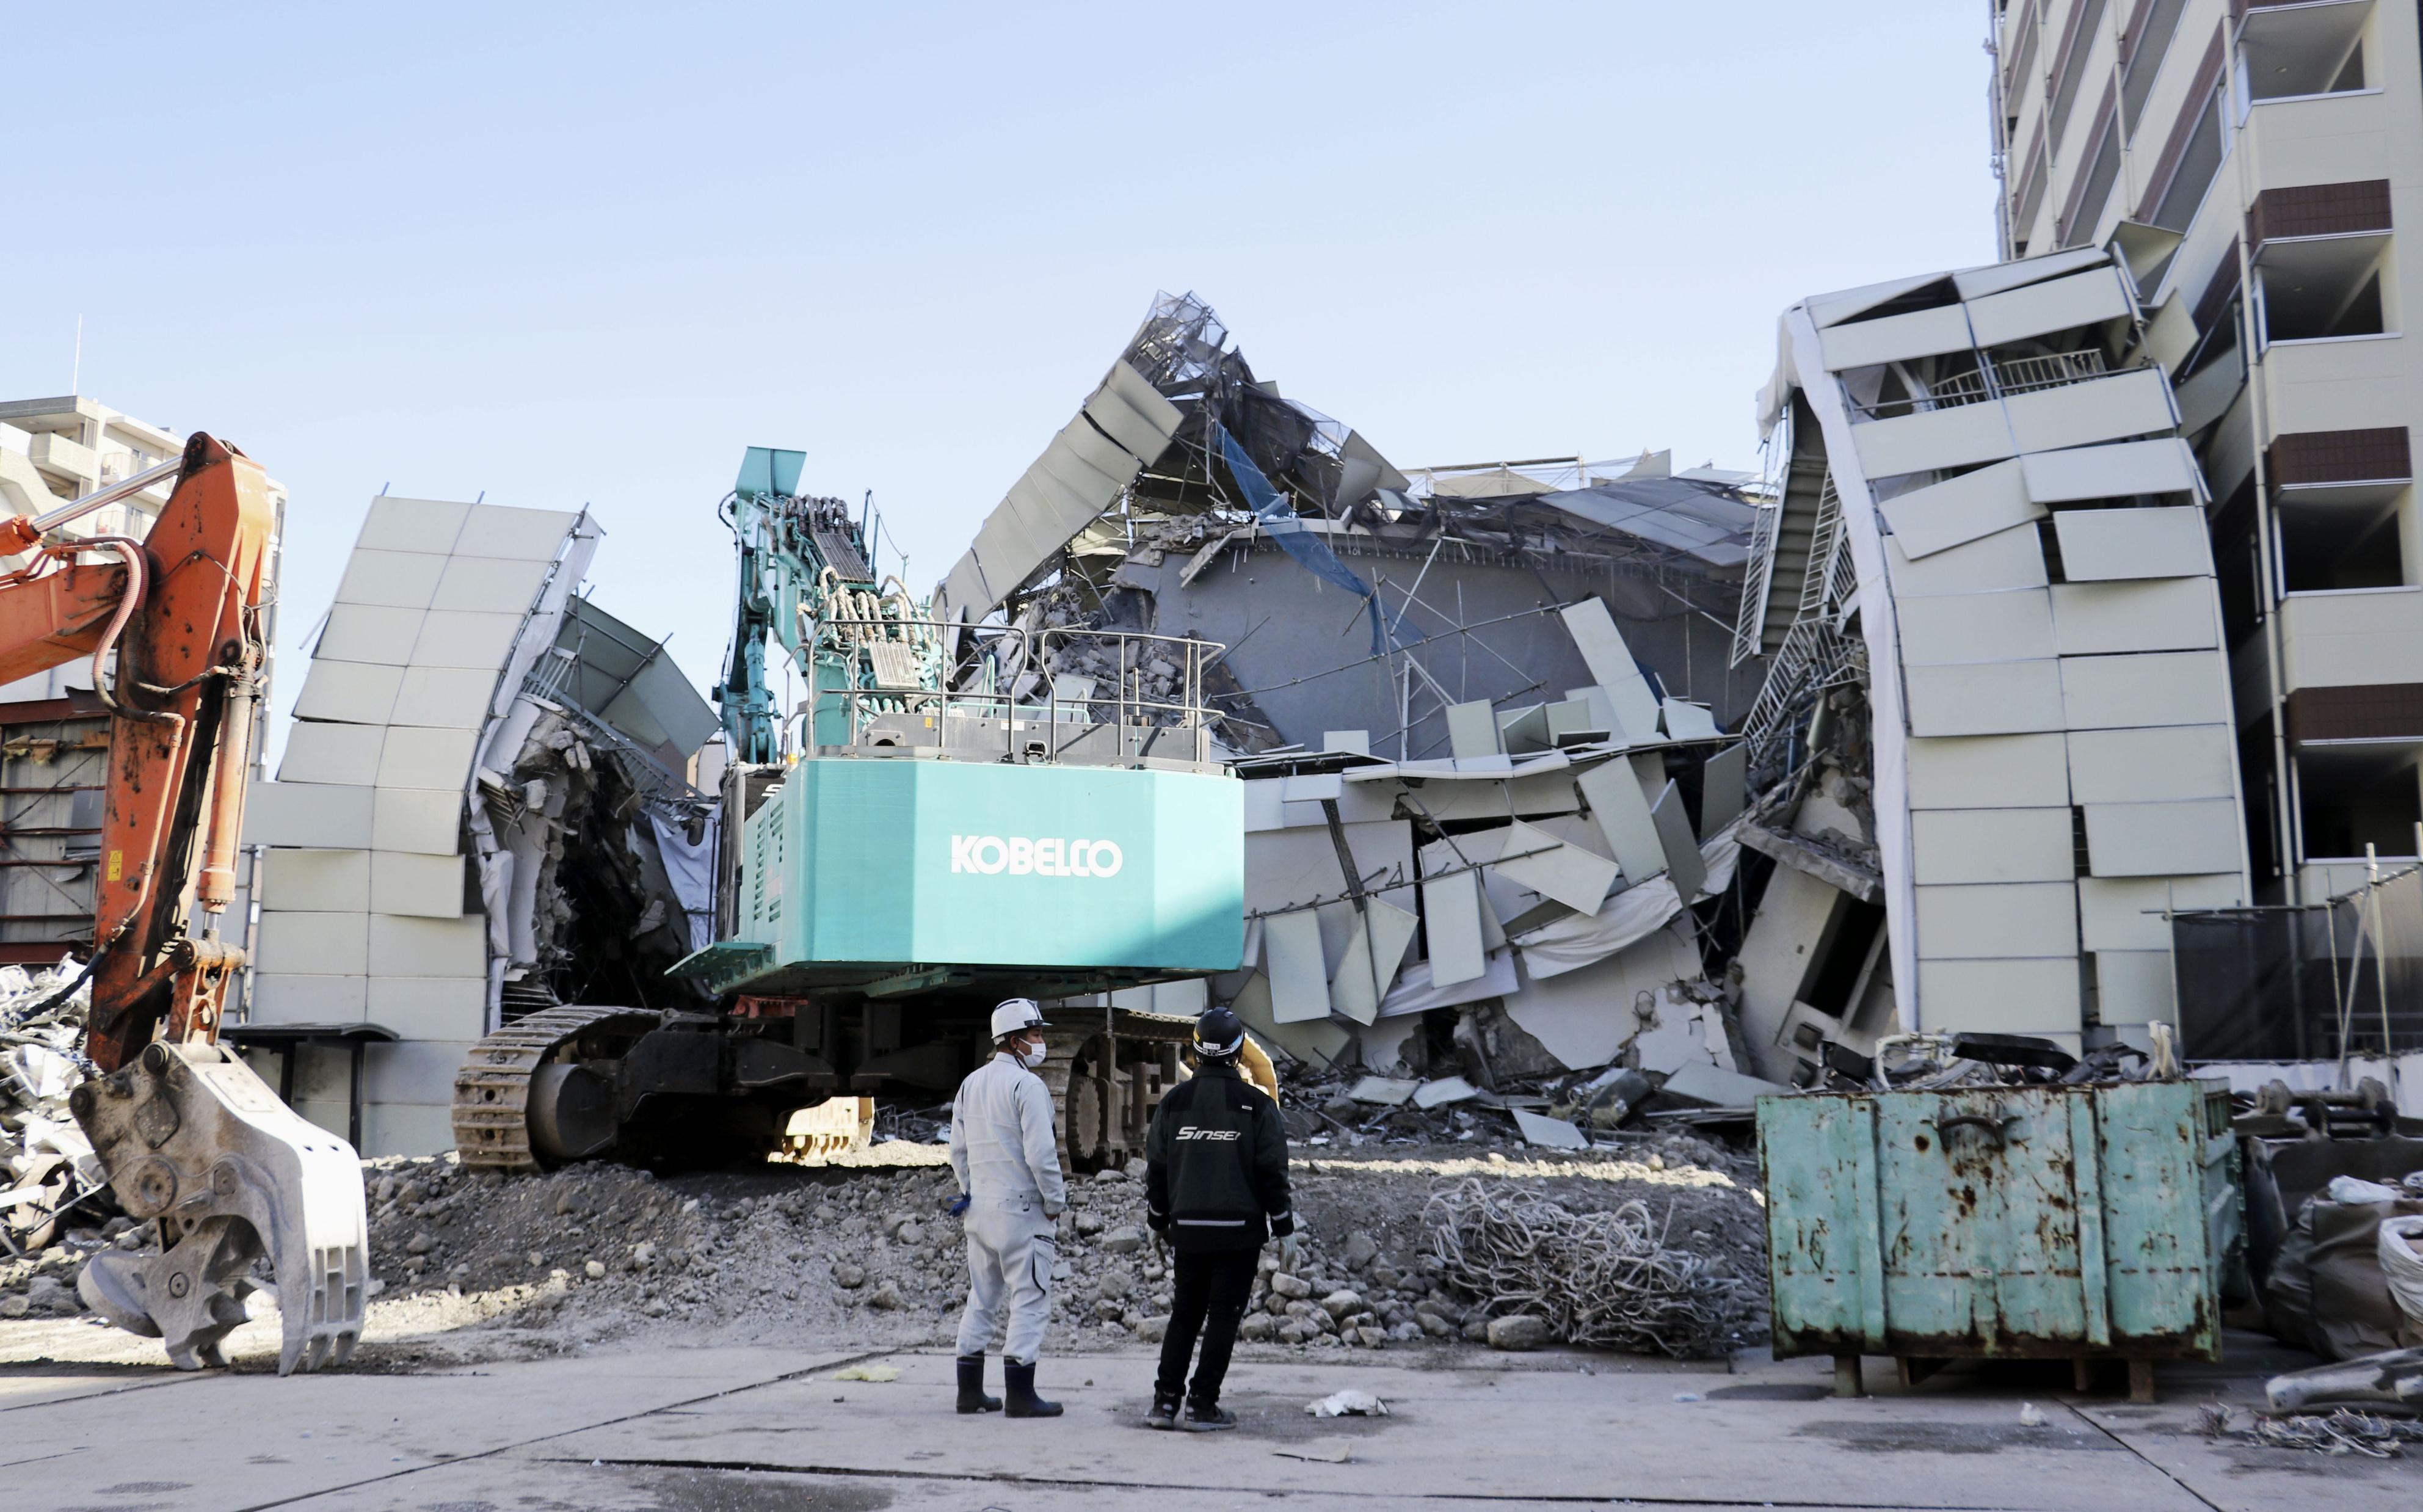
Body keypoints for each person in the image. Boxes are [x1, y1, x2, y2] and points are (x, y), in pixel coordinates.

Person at [1143, 1005, 1296, 1431]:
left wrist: (1157, 1221)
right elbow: (1272, 1174)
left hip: (1187, 1232)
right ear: (1238, 1053)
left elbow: (1157, 1169)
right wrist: (1285, 1230)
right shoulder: (1258, 1106)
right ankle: (1202, 1406)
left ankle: (1164, 1404)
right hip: (1239, 1235)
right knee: (1223, 1316)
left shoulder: (1174, 1103)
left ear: (1195, 1052)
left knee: (1185, 1315)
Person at [947, 997, 1068, 1419]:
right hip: (1022, 1212)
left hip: (979, 1211)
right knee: (1030, 1298)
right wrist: (1055, 1202)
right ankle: (1020, 1394)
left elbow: (957, 1151)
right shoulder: (1028, 1087)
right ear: (1015, 1042)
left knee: (981, 1298)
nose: (1041, 1042)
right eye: (1036, 1035)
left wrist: (968, 1194)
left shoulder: (971, 1084)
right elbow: (1041, 1155)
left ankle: (969, 1393)